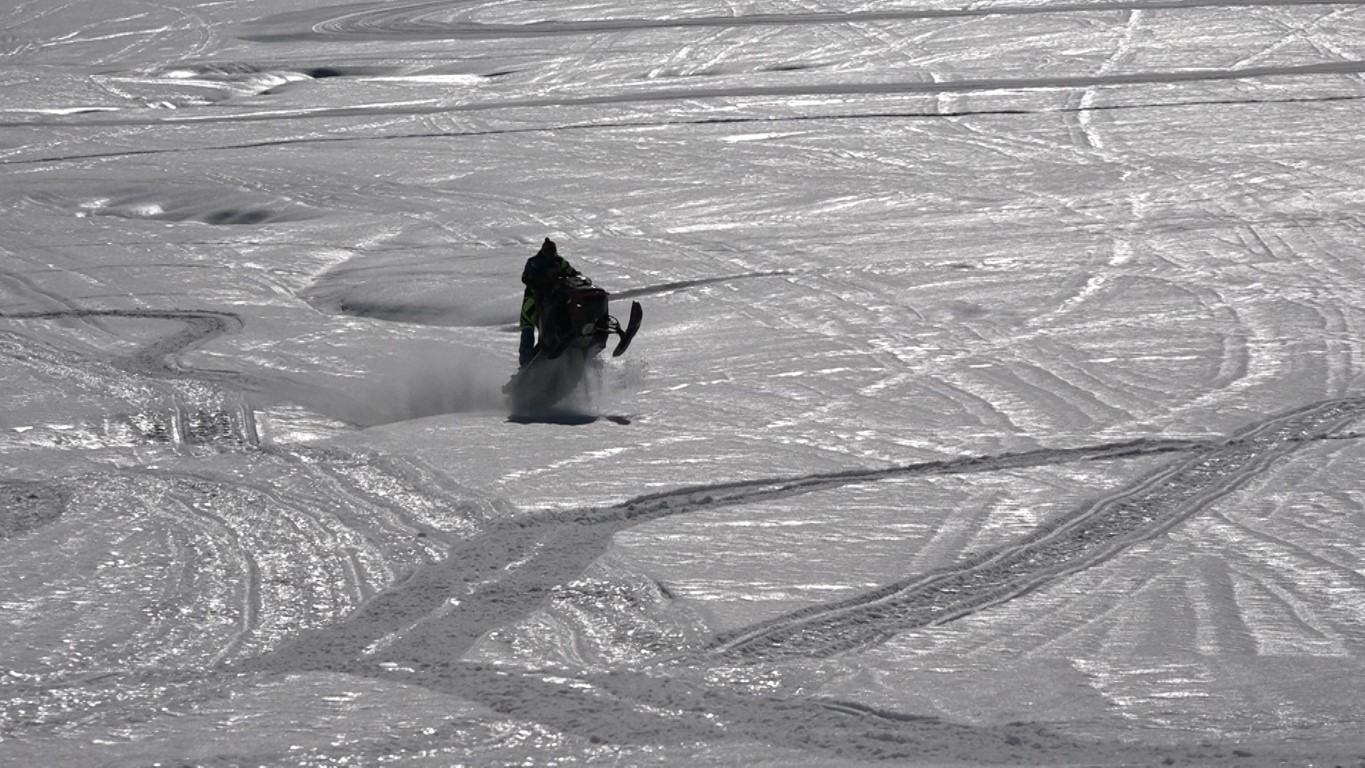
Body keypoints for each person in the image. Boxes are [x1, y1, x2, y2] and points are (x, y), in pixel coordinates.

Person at [518, 237, 584, 366]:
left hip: (557, 296)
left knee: (567, 304)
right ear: (543, 251)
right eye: (548, 252)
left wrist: (579, 278)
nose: (550, 256)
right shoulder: (533, 262)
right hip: (535, 298)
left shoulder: (560, 261)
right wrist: (542, 279)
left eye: (552, 253)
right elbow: (525, 278)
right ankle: (526, 361)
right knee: (527, 327)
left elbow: (572, 272)